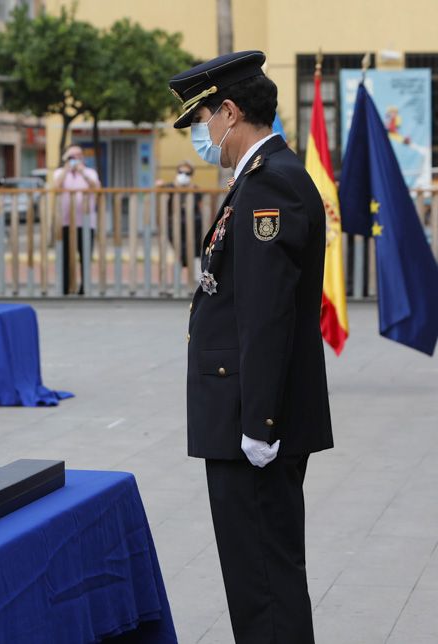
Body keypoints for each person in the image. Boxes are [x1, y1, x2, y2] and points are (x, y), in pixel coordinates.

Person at [171, 50, 332, 644]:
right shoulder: (262, 180)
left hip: (255, 424)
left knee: (264, 581)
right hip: (248, 415)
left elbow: (266, 318)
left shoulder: (271, 187)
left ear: (230, 113)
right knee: (257, 577)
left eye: (201, 120)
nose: (199, 135)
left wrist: (260, 425)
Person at [52, 145, 100, 295]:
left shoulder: (90, 172)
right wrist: (67, 169)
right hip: (65, 221)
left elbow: (97, 188)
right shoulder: (60, 173)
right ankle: (65, 287)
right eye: (71, 156)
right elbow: (56, 187)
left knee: (85, 256)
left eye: (78, 156)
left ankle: (85, 288)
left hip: (86, 222)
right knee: (65, 256)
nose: (75, 159)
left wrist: (82, 172)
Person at [158, 160, 203, 269]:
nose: (183, 175)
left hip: (193, 222)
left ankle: (195, 271)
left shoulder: (195, 189)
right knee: (180, 249)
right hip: (174, 222)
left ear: (191, 175)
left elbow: (200, 206)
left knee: (195, 249)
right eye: (181, 172)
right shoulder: (170, 187)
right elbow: (159, 192)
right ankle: (184, 262)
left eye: (187, 173)